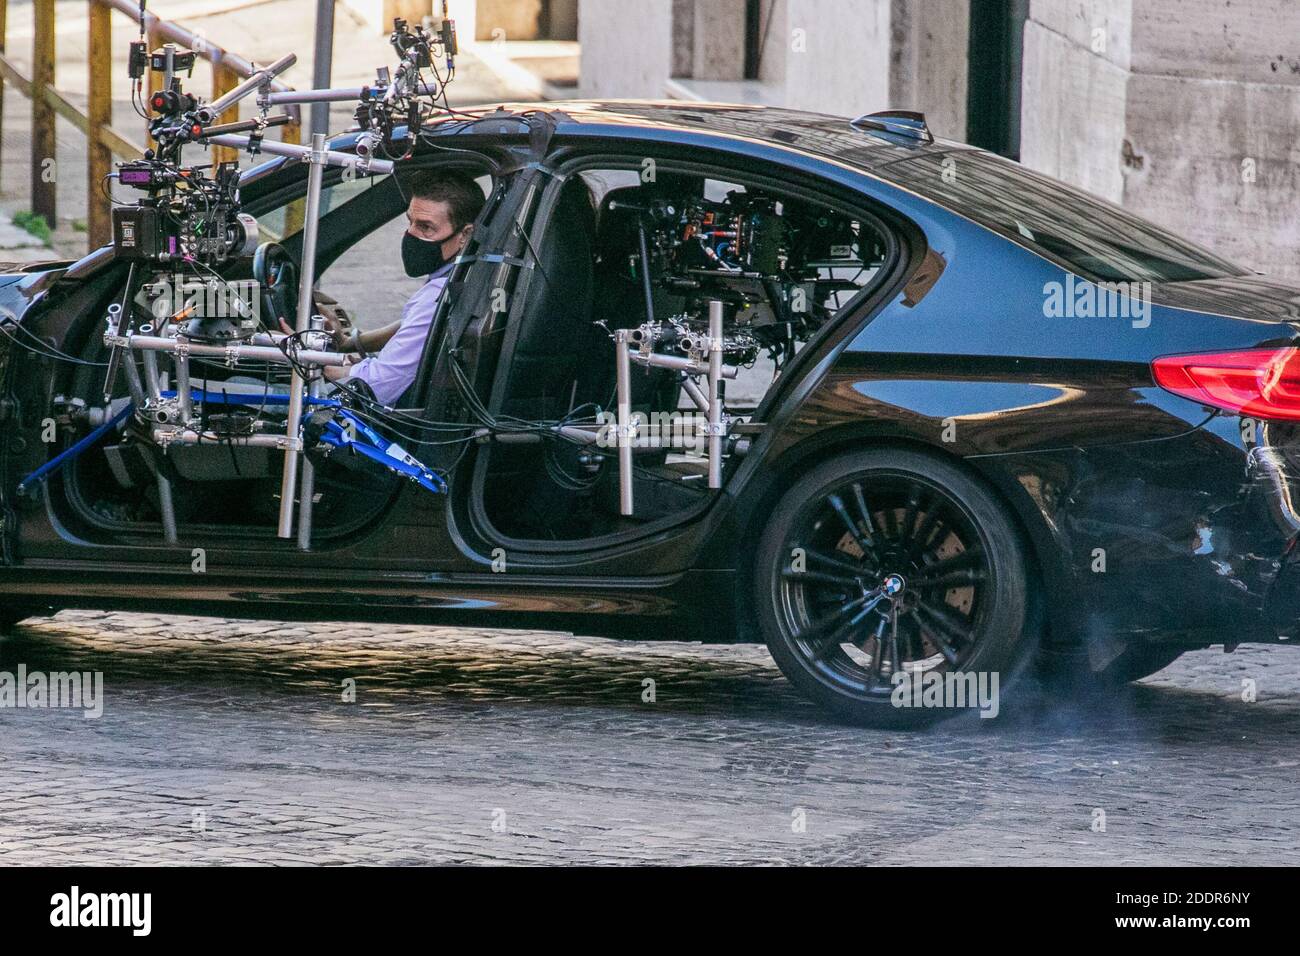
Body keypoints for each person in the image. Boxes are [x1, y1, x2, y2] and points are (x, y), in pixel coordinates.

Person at [323, 171, 486, 405]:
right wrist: (349, 344)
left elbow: (378, 387)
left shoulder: (439, 296)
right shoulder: (466, 277)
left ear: (465, 234)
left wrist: (319, 364)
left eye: (426, 227)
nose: (411, 235)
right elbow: (411, 327)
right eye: (410, 222)